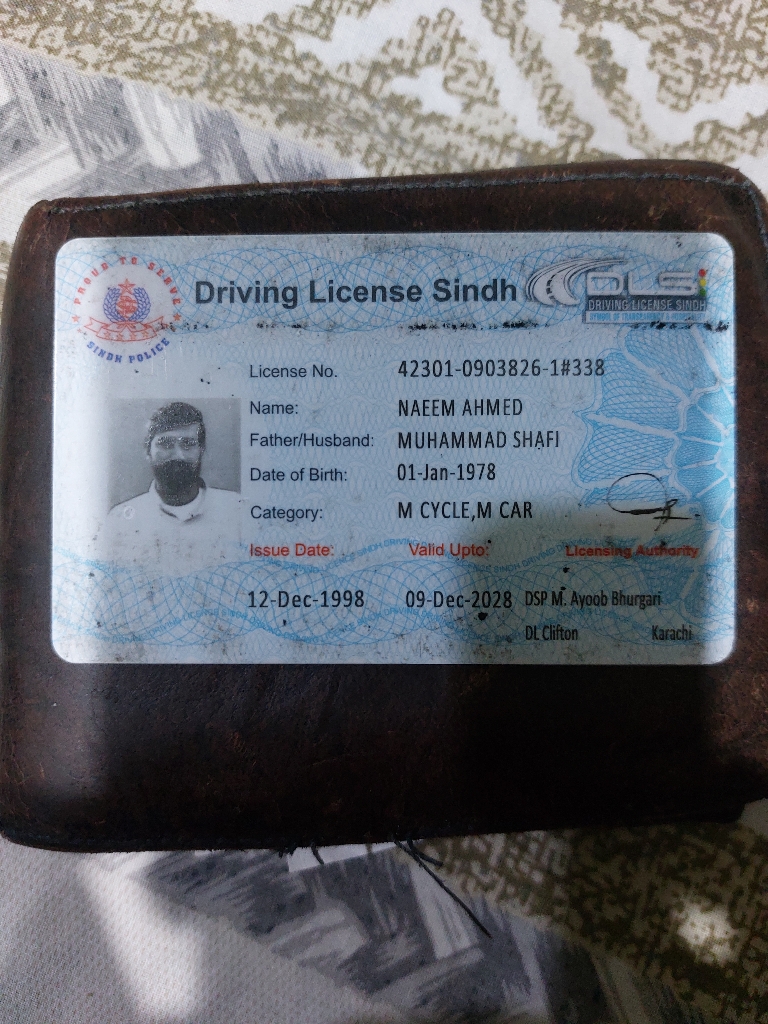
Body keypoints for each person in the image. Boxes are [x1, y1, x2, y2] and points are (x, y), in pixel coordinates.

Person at [106, 402, 241, 571]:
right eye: (165, 444)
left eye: (188, 444)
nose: (178, 455)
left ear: (201, 450)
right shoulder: (120, 521)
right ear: (148, 451)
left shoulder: (237, 511)